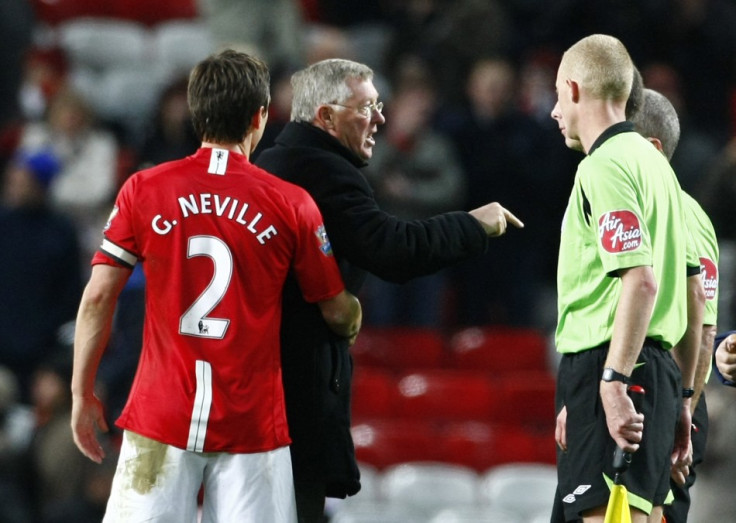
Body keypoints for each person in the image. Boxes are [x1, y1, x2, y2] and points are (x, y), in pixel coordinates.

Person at [70, 49, 362, 523]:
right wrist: (354, 313)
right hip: (252, 425)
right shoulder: (292, 203)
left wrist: (83, 394)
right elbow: (335, 310)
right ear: (260, 116)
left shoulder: (143, 189)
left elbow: (98, 296)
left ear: (195, 112)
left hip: (160, 417)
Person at [255, 58, 523, 522]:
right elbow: (393, 249)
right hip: (293, 395)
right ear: (326, 116)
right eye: (368, 107)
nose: (380, 118)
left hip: (258, 388)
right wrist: (472, 225)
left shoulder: (271, 163)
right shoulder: (324, 171)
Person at [549, 34, 693, 522]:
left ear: (573, 89)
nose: (553, 112)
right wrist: (683, 398)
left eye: (555, 96)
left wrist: (610, 382)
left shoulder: (604, 166)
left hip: (614, 365)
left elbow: (641, 280)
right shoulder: (660, 169)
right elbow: (691, 294)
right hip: (657, 373)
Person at [629, 87, 719, 523]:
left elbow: (702, 327)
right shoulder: (679, 211)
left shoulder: (679, 215)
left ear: (650, 149)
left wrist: (683, 406)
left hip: (666, 389)